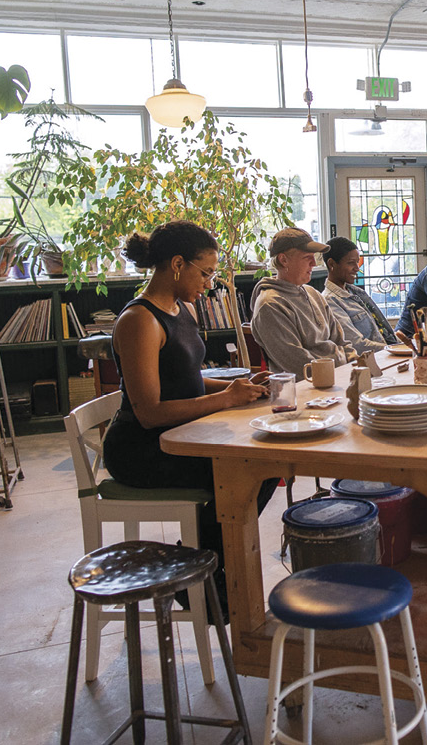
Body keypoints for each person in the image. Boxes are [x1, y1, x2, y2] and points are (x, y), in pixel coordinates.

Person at [102, 221, 278, 604]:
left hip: (180, 436)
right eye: (206, 272)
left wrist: (242, 390)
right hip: (142, 449)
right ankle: (199, 574)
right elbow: (149, 412)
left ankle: (200, 562)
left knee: (266, 464)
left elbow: (187, 381)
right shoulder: (139, 321)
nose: (210, 283)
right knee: (247, 470)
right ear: (178, 264)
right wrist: (226, 399)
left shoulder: (182, 310)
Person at [251, 227, 354, 373]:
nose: (314, 263)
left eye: (314, 257)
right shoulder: (270, 305)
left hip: (338, 377)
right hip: (306, 389)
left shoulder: (313, 294)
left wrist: (355, 365)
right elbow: (299, 365)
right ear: (283, 260)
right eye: (307, 257)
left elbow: (342, 343)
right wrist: (342, 367)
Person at [321, 236, 398, 355]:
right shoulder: (330, 301)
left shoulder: (357, 292)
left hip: (388, 352)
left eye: (357, 262)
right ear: (332, 264)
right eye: (351, 263)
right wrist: (395, 349)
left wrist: (404, 345)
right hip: (372, 360)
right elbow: (357, 345)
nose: (357, 268)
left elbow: (383, 329)